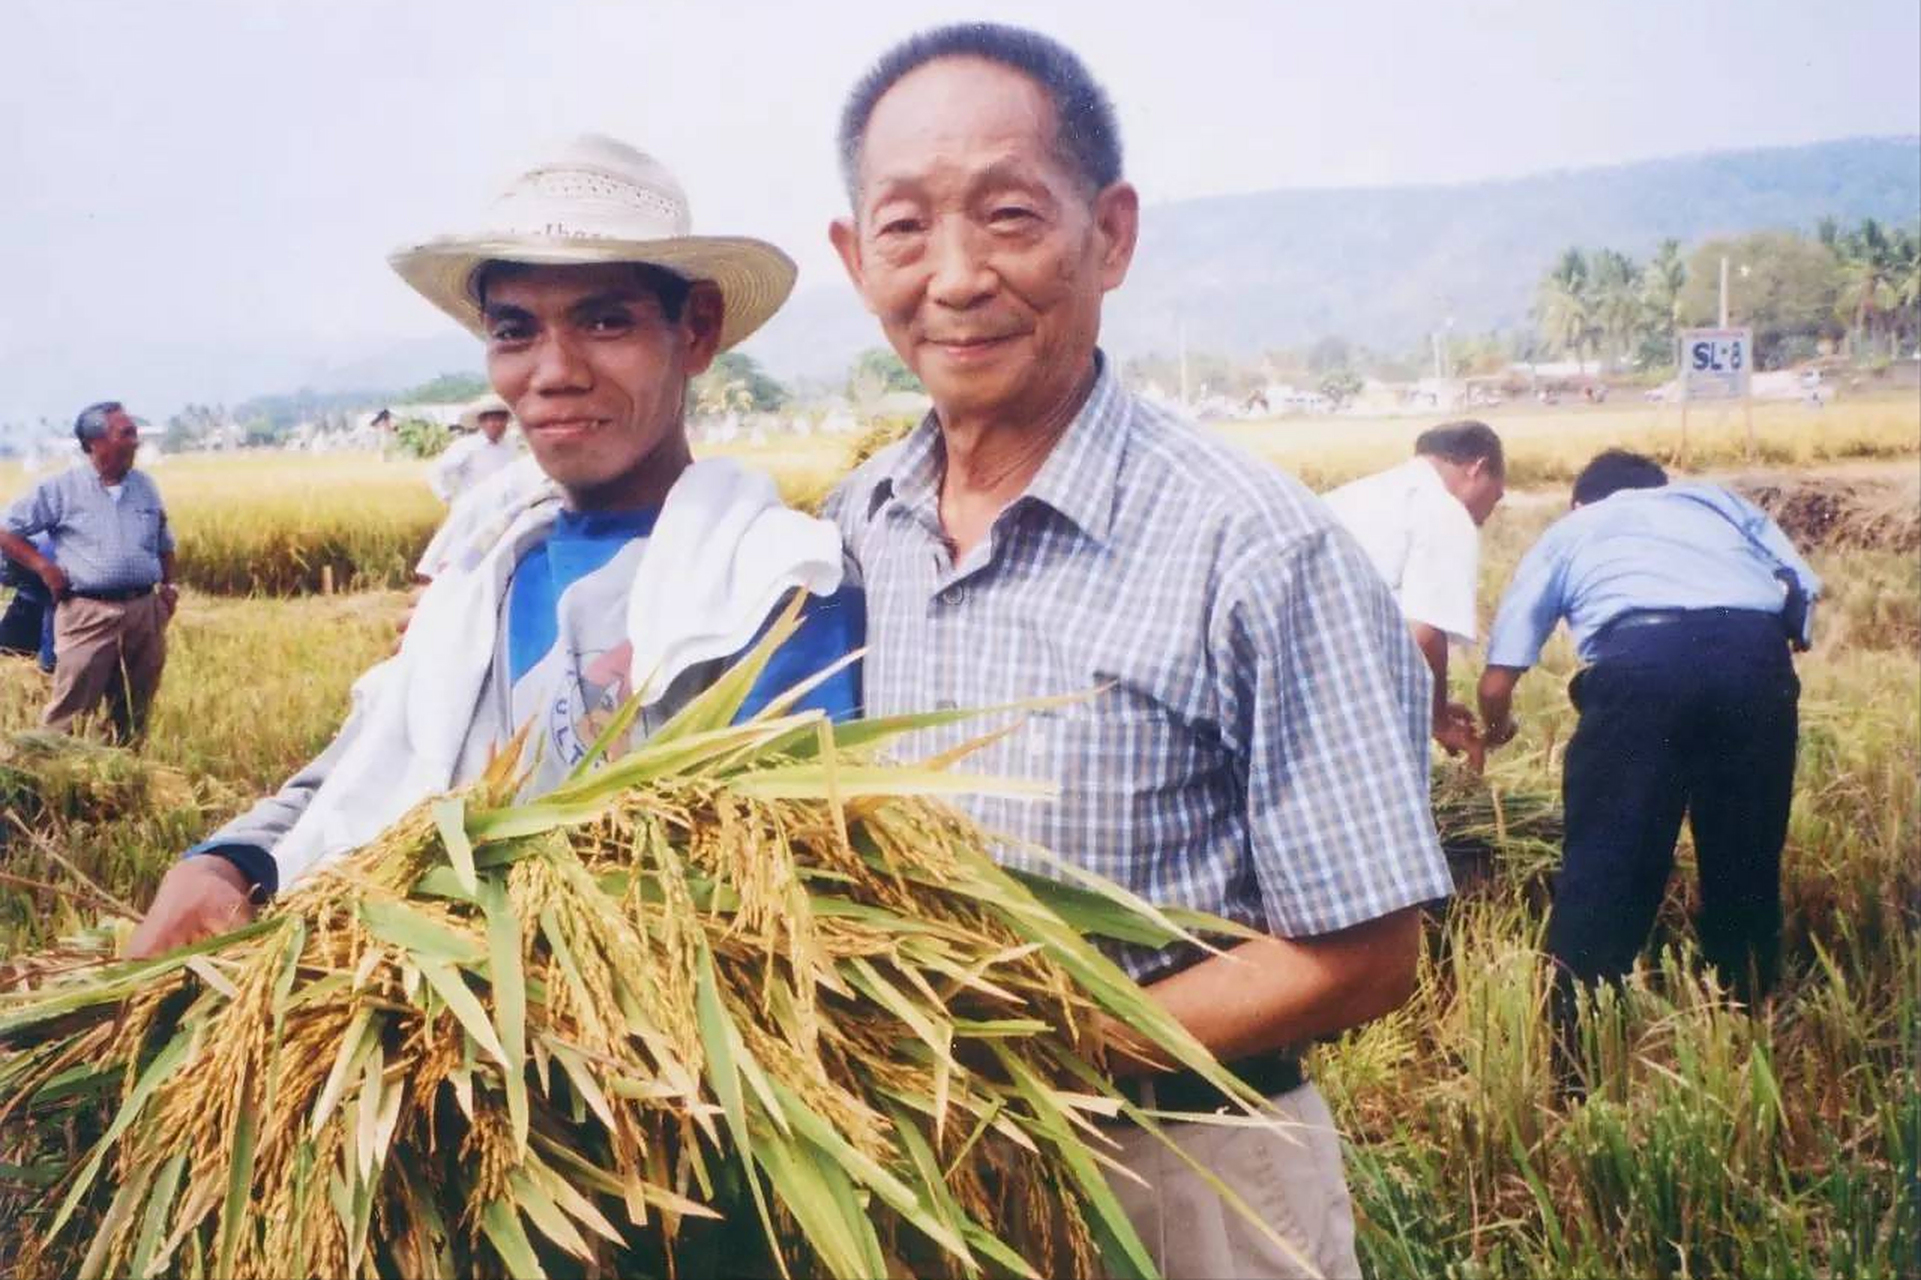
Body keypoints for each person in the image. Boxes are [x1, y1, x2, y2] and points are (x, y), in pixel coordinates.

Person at [825, 25, 1450, 1278]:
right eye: (904, 228)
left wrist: (1040, 1050)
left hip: (1182, 1172)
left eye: (1008, 216)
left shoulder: (1254, 544)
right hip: (919, 1183)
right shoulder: (852, 531)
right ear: (854, 257)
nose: (955, 276)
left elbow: (1366, 952)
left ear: (1109, 233)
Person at [128, 135, 862, 958]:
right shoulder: (484, 576)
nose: (554, 372)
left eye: (605, 321)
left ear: (695, 330)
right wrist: (226, 862)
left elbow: (783, 889)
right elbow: (368, 763)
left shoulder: (770, 587)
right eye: (515, 331)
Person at [1476, 449, 1819, 1064]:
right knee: (1746, 852)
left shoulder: (1574, 528)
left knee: (1607, 864)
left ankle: (1577, 1056)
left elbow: (1499, 676)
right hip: (1754, 662)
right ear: (1664, 486)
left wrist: (1496, 729)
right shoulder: (1714, 502)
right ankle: (1747, 1027)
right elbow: (1801, 587)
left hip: (1641, 669)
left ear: (1579, 501)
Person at [1323, 420, 1506, 759]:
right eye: (1496, 495)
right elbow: (1423, 633)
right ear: (1477, 468)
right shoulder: (1445, 511)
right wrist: (1437, 721)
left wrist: (1435, 704)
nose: (1488, 514)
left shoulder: (1359, 494)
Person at [0, 403, 178, 742]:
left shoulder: (144, 486)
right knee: (70, 712)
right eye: (126, 433)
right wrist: (44, 567)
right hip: (88, 612)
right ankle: (55, 770)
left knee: (134, 707)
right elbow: (7, 530)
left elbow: (164, 541)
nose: (136, 441)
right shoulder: (62, 488)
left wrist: (170, 587)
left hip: (144, 611)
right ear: (96, 443)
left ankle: (124, 768)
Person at [428, 392, 520, 503]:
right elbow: (436, 472)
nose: (496, 424)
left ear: (507, 421)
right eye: (491, 420)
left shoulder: (510, 444)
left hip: (505, 505)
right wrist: (447, 497)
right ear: (481, 422)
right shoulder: (466, 445)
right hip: (475, 506)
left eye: (500, 419)